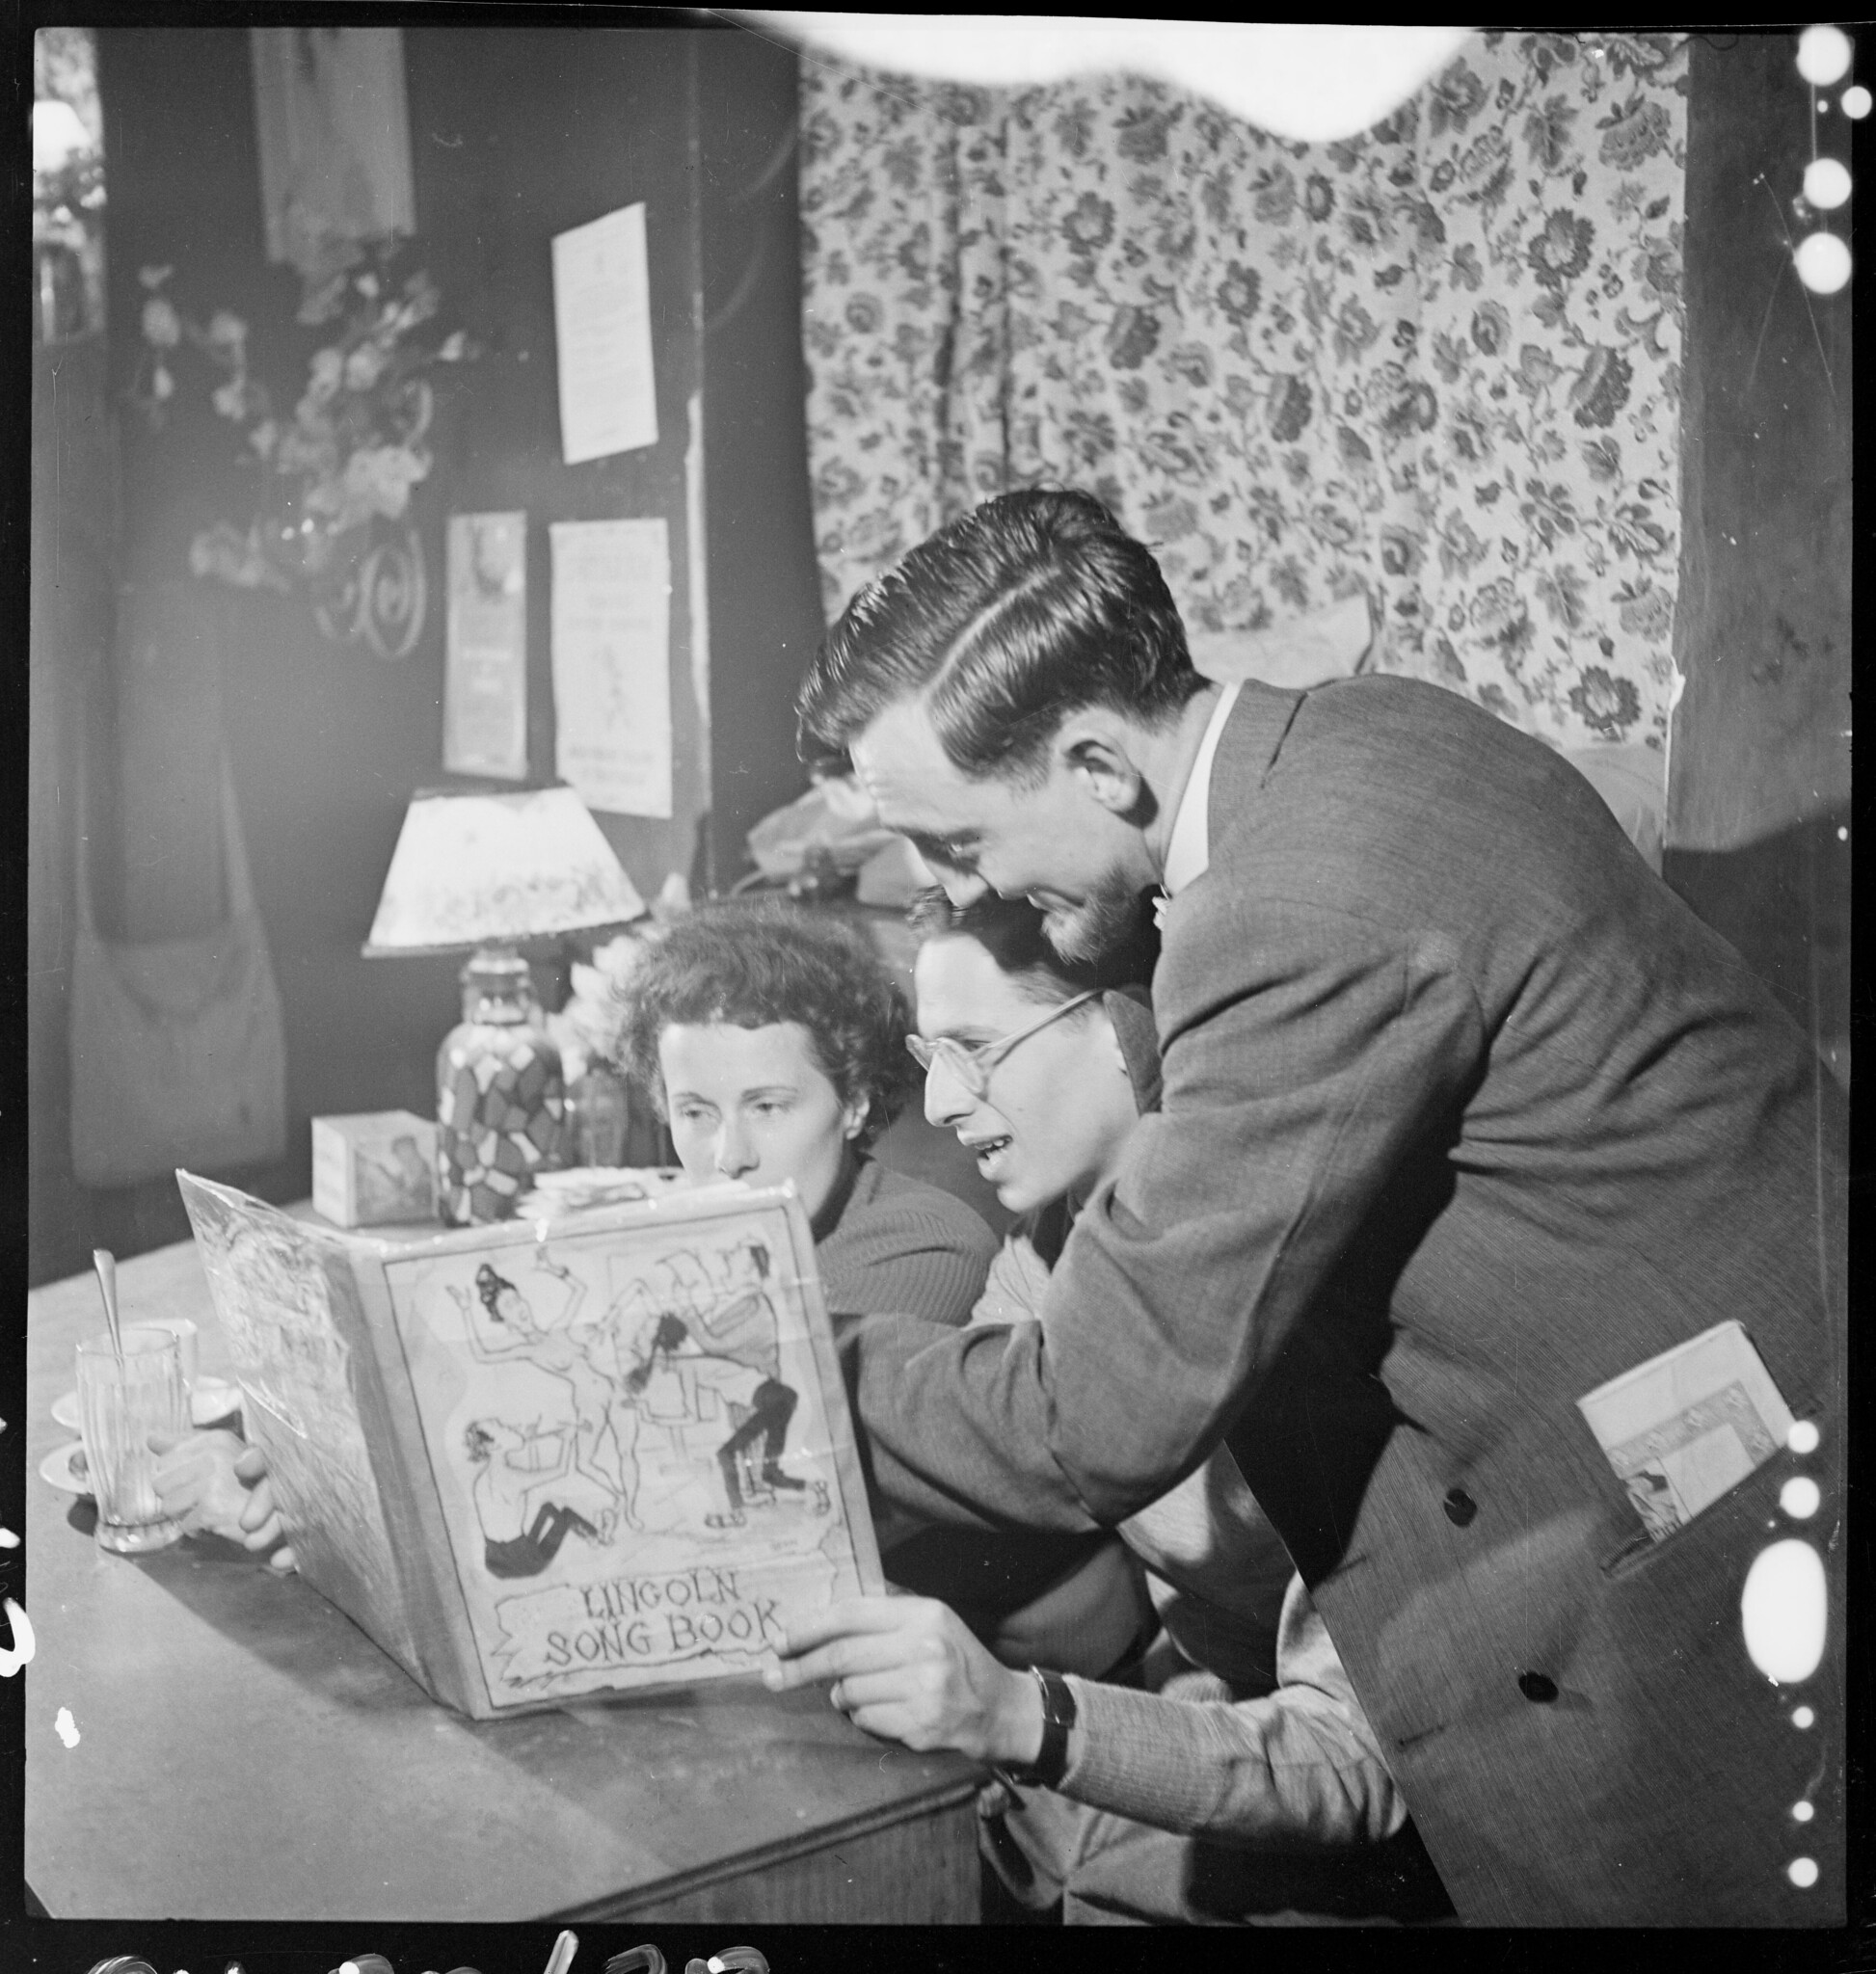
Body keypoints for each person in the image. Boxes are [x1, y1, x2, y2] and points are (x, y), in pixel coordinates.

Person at [792, 488, 1847, 1927]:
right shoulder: (1360, 732)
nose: (966, 893)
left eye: (967, 848)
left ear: (1098, 761)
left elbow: (1090, 1414)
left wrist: (785, 1363)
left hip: (1711, 1551)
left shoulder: (1286, 912)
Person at [770, 890, 1453, 1924]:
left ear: (1129, 1029)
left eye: (975, 1047)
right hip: (1200, 1734)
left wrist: (1016, 1714)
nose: (945, 1102)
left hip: (1378, 1837)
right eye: (926, 1054)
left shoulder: (1323, 1307)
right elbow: (948, 1430)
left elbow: (1361, 1764)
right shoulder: (1051, 1247)